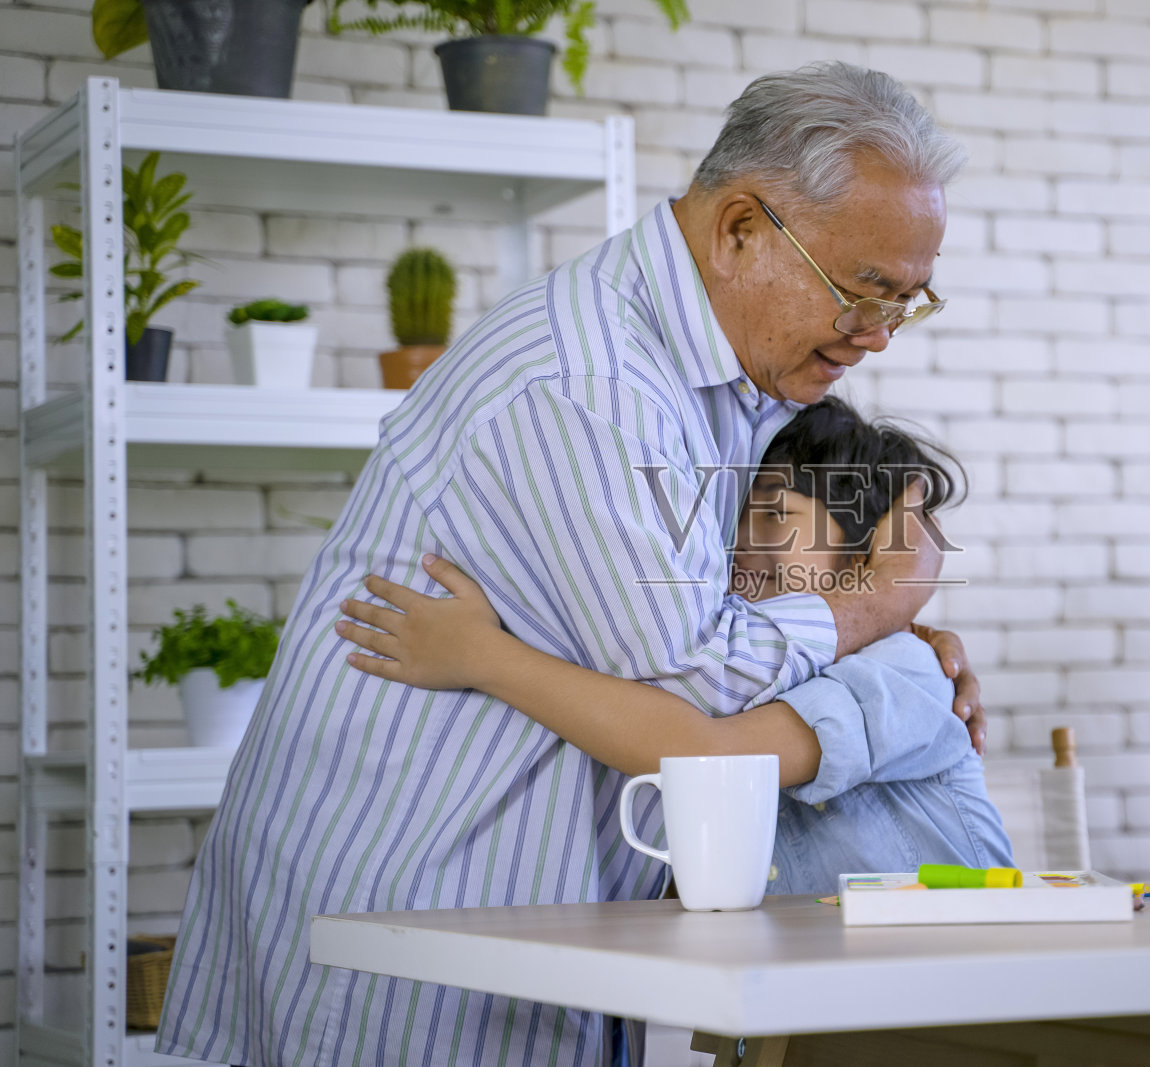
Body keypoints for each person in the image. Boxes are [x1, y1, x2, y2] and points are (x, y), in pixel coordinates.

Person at [157, 63, 980, 1067]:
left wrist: (888, 643)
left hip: (537, 921)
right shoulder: (587, 382)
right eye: (863, 290)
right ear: (740, 230)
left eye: (907, 300)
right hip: (418, 902)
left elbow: (727, 639)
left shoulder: (747, 381)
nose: (879, 334)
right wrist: (879, 601)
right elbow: (693, 683)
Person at [336, 397, 1014, 894]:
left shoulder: (909, 668)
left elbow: (704, 754)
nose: (745, 540)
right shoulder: (730, 670)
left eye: (779, 515)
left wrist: (482, 657)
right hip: (810, 1010)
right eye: (739, 516)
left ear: (868, 552)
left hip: (952, 1002)